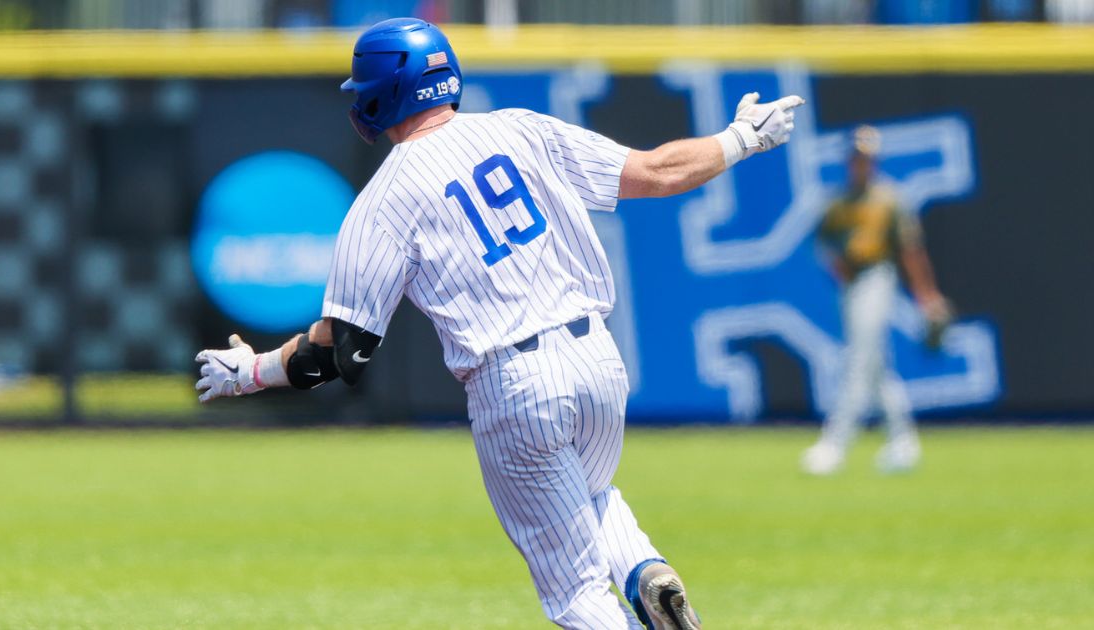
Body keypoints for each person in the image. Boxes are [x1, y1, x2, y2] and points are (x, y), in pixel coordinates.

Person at [196, 18, 803, 629]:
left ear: (383, 93)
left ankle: (632, 588)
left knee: (574, 593)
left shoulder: (384, 199)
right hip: (596, 360)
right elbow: (657, 172)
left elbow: (338, 353)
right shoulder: (520, 127)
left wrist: (252, 371)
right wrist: (739, 139)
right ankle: (643, 570)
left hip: (514, 385)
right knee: (589, 499)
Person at [802, 125, 952, 476]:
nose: (861, 164)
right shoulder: (838, 202)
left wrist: (926, 296)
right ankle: (903, 440)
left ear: (875, 161)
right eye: (857, 158)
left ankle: (835, 444)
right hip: (852, 283)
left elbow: (911, 252)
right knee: (875, 364)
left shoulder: (889, 198)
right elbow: (822, 243)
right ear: (849, 160)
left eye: (867, 158)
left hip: (878, 277)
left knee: (859, 358)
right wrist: (836, 267)